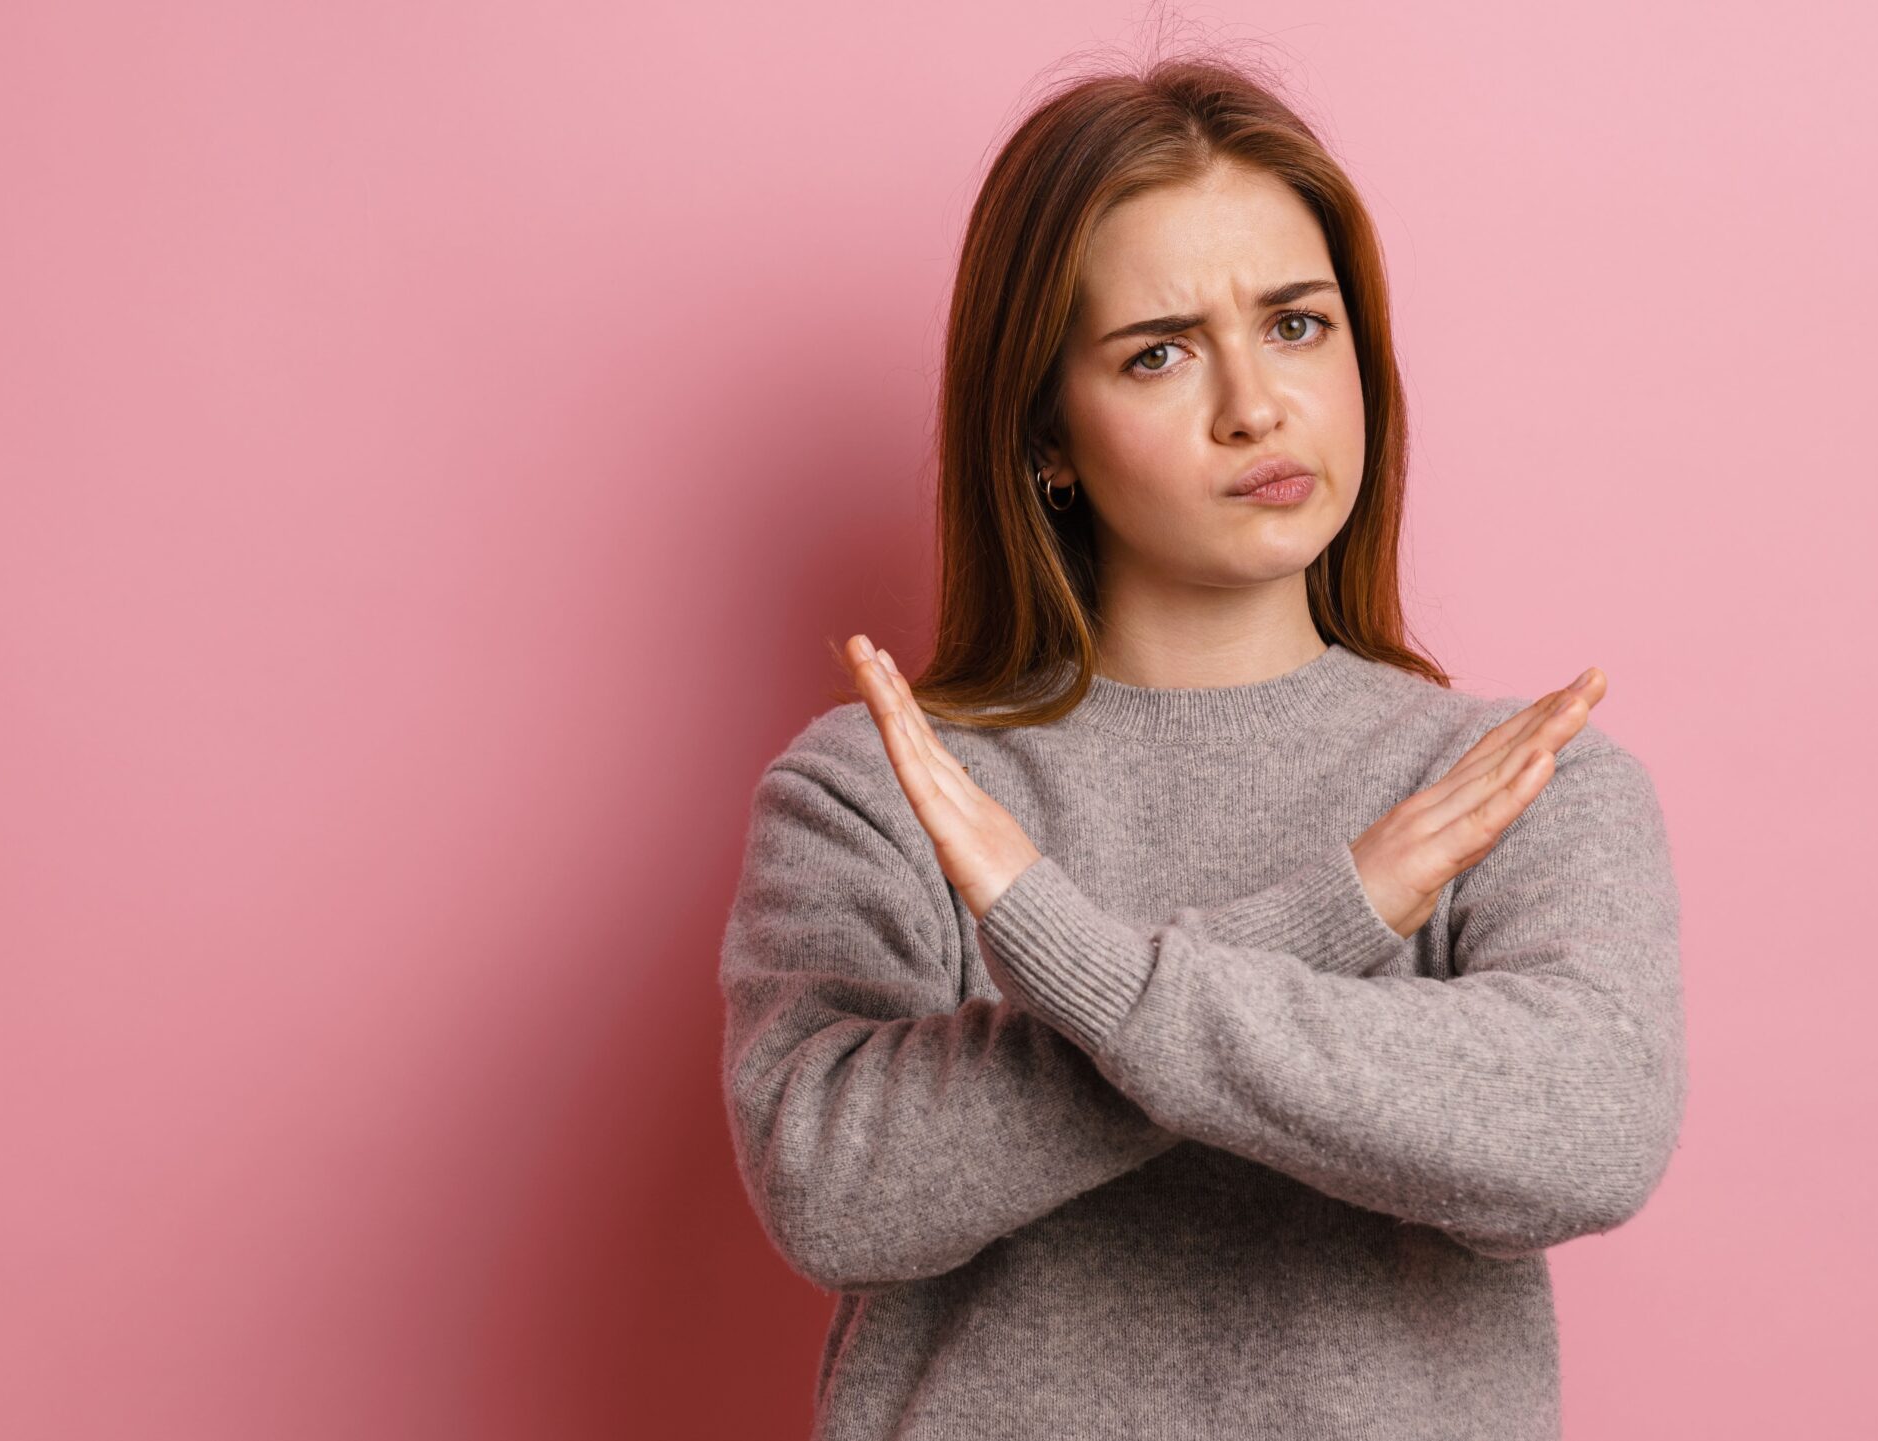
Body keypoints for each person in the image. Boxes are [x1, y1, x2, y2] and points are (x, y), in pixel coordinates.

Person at [716, 51, 1686, 1441]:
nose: (1253, 403)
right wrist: (1339, 913)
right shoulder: (882, 789)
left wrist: (1069, 954)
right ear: (1047, 432)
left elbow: (1584, 1132)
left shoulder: (1516, 783)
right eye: (1159, 350)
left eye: (1297, 326)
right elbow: (834, 1185)